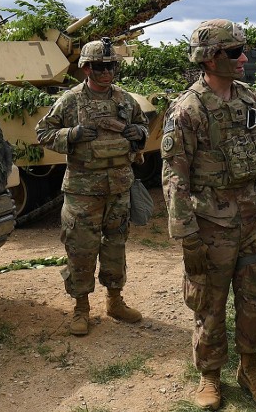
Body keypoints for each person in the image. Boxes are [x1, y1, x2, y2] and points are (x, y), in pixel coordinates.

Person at [161, 19, 256, 410]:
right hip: (210, 224)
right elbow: (174, 175)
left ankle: (250, 369)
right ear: (209, 58)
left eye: (243, 50)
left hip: (252, 218)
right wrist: (186, 234)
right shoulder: (187, 109)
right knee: (210, 301)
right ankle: (209, 375)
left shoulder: (249, 99)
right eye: (234, 52)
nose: (243, 58)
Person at [35, 38, 148, 336]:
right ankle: (81, 308)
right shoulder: (70, 100)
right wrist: (71, 134)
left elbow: (142, 128)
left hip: (118, 188)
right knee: (81, 249)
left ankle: (115, 301)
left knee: (115, 246)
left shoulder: (125, 100)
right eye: (99, 67)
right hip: (83, 191)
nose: (106, 72)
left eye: (111, 66)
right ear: (86, 68)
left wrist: (139, 133)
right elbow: (43, 133)